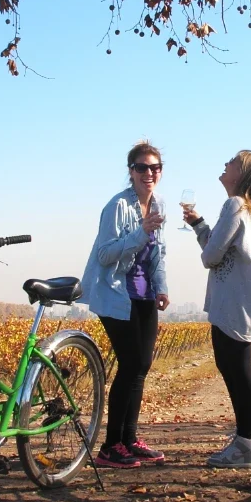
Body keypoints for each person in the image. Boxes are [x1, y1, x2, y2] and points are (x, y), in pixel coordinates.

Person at [80, 141, 170, 469]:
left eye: (155, 167)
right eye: (142, 167)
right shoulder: (117, 206)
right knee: (130, 364)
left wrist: (161, 287)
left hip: (145, 295)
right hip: (116, 294)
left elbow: (158, 252)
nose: (149, 173)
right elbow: (104, 254)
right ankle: (110, 446)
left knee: (142, 365)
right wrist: (139, 233)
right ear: (130, 171)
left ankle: (129, 440)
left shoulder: (158, 204)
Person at [182, 150, 251, 469]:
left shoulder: (234, 205)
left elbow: (210, 256)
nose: (225, 165)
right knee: (238, 372)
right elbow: (216, 246)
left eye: (231, 162)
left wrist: (204, 237)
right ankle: (248, 440)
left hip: (231, 305)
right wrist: (198, 224)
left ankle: (248, 444)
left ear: (242, 174)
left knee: (238, 375)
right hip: (242, 302)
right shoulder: (249, 211)